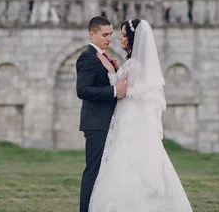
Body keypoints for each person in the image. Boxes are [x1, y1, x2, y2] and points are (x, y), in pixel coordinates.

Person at [88, 19, 193, 212]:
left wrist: (112, 70)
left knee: (126, 158)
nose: (119, 37)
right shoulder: (136, 63)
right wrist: (119, 70)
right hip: (134, 116)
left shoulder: (134, 64)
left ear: (131, 38)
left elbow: (121, 90)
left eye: (123, 34)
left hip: (129, 118)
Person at [76, 16, 128, 212]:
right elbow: (82, 90)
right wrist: (115, 91)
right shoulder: (87, 57)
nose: (108, 39)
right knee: (93, 171)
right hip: (96, 123)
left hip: (108, 122)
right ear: (92, 34)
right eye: (104, 35)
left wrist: (113, 71)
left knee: (106, 171)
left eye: (110, 34)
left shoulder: (105, 57)